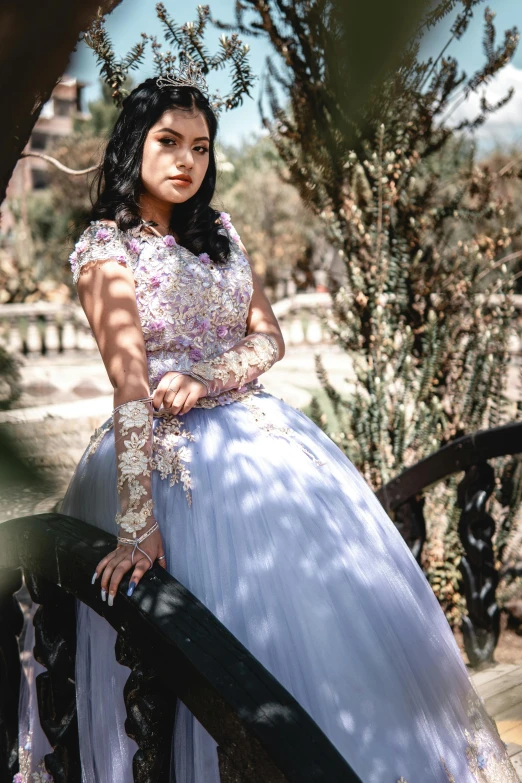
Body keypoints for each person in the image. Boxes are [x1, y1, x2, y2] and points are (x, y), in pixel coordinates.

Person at [16, 69, 518, 783]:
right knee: (200, 651)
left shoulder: (220, 230)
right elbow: (128, 382)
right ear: (135, 144)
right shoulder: (106, 246)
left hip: (264, 443)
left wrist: (207, 377)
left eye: (201, 145)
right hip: (164, 461)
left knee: (323, 626)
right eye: (169, 141)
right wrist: (135, 521)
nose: (188, 160)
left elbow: (269, 337)